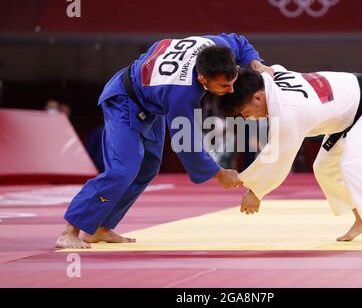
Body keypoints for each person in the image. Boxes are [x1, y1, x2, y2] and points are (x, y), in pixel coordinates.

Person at [56, 33, 273, 249]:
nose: (231, 90)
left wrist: (256, 65)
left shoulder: (219, 46)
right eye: (224, 86)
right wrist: (219, 174)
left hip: (153, 101)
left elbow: (239, 41)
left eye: (233, 81)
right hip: (125, 100)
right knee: (123, 170)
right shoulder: (183, 94)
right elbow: (187, 147)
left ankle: (100, 227)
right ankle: (71, 230)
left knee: (148, 168)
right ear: (202, 79)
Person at [218, 66, 362, 248]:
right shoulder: (269, 78)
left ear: (258, 98)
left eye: (245, 111)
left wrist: (255, 191)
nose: (248, 118)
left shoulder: (288, 112)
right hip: (352, 114)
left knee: (355, 164)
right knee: (325, 168)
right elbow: (273, 69)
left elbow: (279, 158)